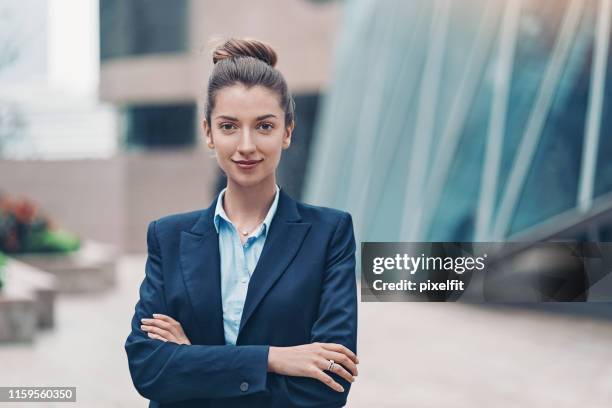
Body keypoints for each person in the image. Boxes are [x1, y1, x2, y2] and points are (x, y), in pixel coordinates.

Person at [125, 38, 358, 408]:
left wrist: (195, 361)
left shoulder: (329, 235)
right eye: (229, 126)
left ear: (287, 132)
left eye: (264, 126)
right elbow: (149, 369)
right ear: (208, 133)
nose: (246, 145)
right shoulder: (168, 238)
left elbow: (330, 379)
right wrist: (273, 358)